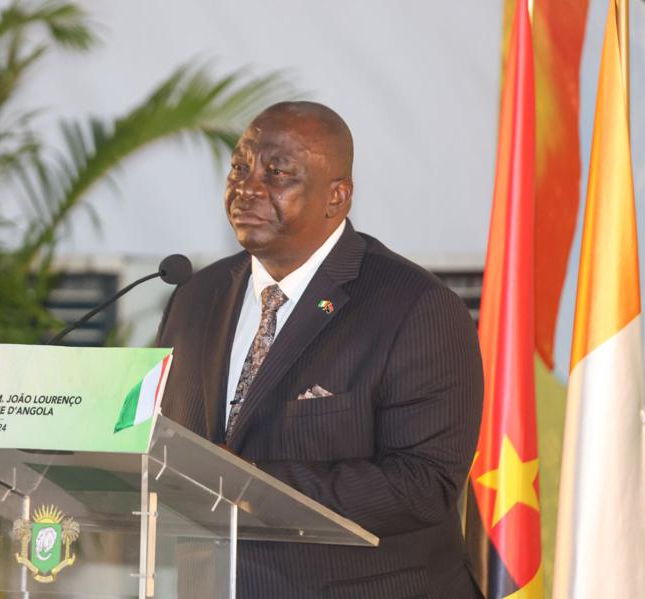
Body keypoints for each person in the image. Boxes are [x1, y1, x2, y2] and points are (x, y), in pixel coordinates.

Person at [156, 101, 484, 598]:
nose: (247, 187)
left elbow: (424, 484)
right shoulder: (195, 298)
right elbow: (162, 446)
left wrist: (251, 486)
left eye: (277, 173)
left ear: (337, 197)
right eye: (240, 168)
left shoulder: (415, 307)